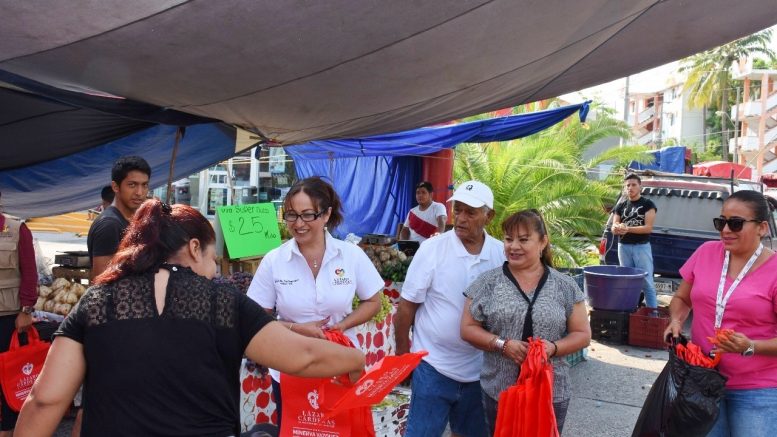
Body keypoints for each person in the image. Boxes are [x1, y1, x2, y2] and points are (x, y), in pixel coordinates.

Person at [15, 200, 365, 437]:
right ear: (195, 248)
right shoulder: (223, 302)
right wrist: (354, 358)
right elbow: (304, 357)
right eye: (212, 259)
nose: (213, 271)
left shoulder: (97, 300)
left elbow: (46, 399)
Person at [246, 176, 384, 428]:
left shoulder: (350, 255)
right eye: (291, 215)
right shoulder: (274, 261)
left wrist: (343, 325)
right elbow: (255, 318)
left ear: (326, 214)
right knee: (297, 429)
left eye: (308, 215)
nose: (298, 224)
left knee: (339, 431)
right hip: (290, 367)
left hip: (341, 365)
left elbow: (373, 301)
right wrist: (296, 328)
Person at [460, 210, 591, 434]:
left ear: (543, 242)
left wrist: (553, 348)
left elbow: (582, 335)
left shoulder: (565, 286)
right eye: (508, 239)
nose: (513, 246)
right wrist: (502, 344)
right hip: (499, 391)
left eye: (523, 240)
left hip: (551, 393)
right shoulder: (487, 283)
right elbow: (467, 328)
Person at [394, 180, 505, 437]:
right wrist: (402, 355)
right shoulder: (432, 249)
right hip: (432, 366)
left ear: (489, 216)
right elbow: (406, 307)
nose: (461, 218)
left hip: (481, 372)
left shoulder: (501, 254)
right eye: (458, 210)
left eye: (471, 212)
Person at [664, 190, 777, 436]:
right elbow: (682, 298)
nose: (725, 230)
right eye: (721, 222)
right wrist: (676, 321)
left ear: (762, 228)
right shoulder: (706, 252)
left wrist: (750, 346)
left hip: (757, 389)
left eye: (735, 223)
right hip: (701, 380)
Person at [0, 191, 37, 436]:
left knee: (8, 375)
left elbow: (30, 272)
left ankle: (8, 429)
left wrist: (26, 310)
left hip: (8, 316)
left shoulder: (16, 229)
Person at [87, 156, 151, 280]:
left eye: (144, 185)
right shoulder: (109, 225)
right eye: (132, 185)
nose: (139, 192)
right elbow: (101, 282)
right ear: (115, 187)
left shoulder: (133, 220)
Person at [612, 173, 658, 308]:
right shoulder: (620, 206)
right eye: (627, 185)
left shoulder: (648, 204)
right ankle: (628, 311)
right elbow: (614, 226)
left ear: (640, 186)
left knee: (647, 281)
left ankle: (652, 312)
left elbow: (648, 228)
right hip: (623, 247)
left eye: (633, 185)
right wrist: (616, 228)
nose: (630, 188)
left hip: (641, 247)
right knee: (626, 281)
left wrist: (627, 229)